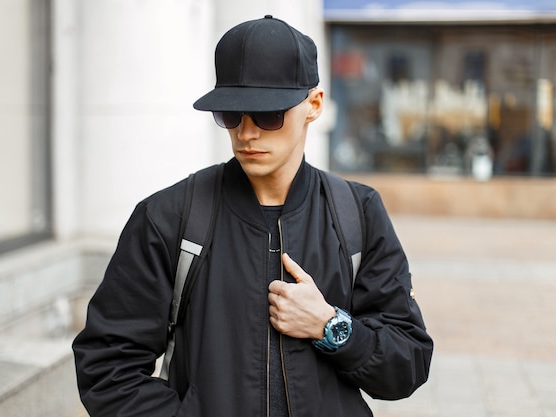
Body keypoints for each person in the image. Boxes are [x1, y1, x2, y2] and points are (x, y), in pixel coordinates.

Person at [72, 15, 433, 417]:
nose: (246, 133)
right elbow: (107, 367)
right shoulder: (168, 218)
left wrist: (331, 327)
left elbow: (409, 363)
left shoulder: (358, 213)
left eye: (268, 115)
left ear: (313, 105)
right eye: (231, 114)